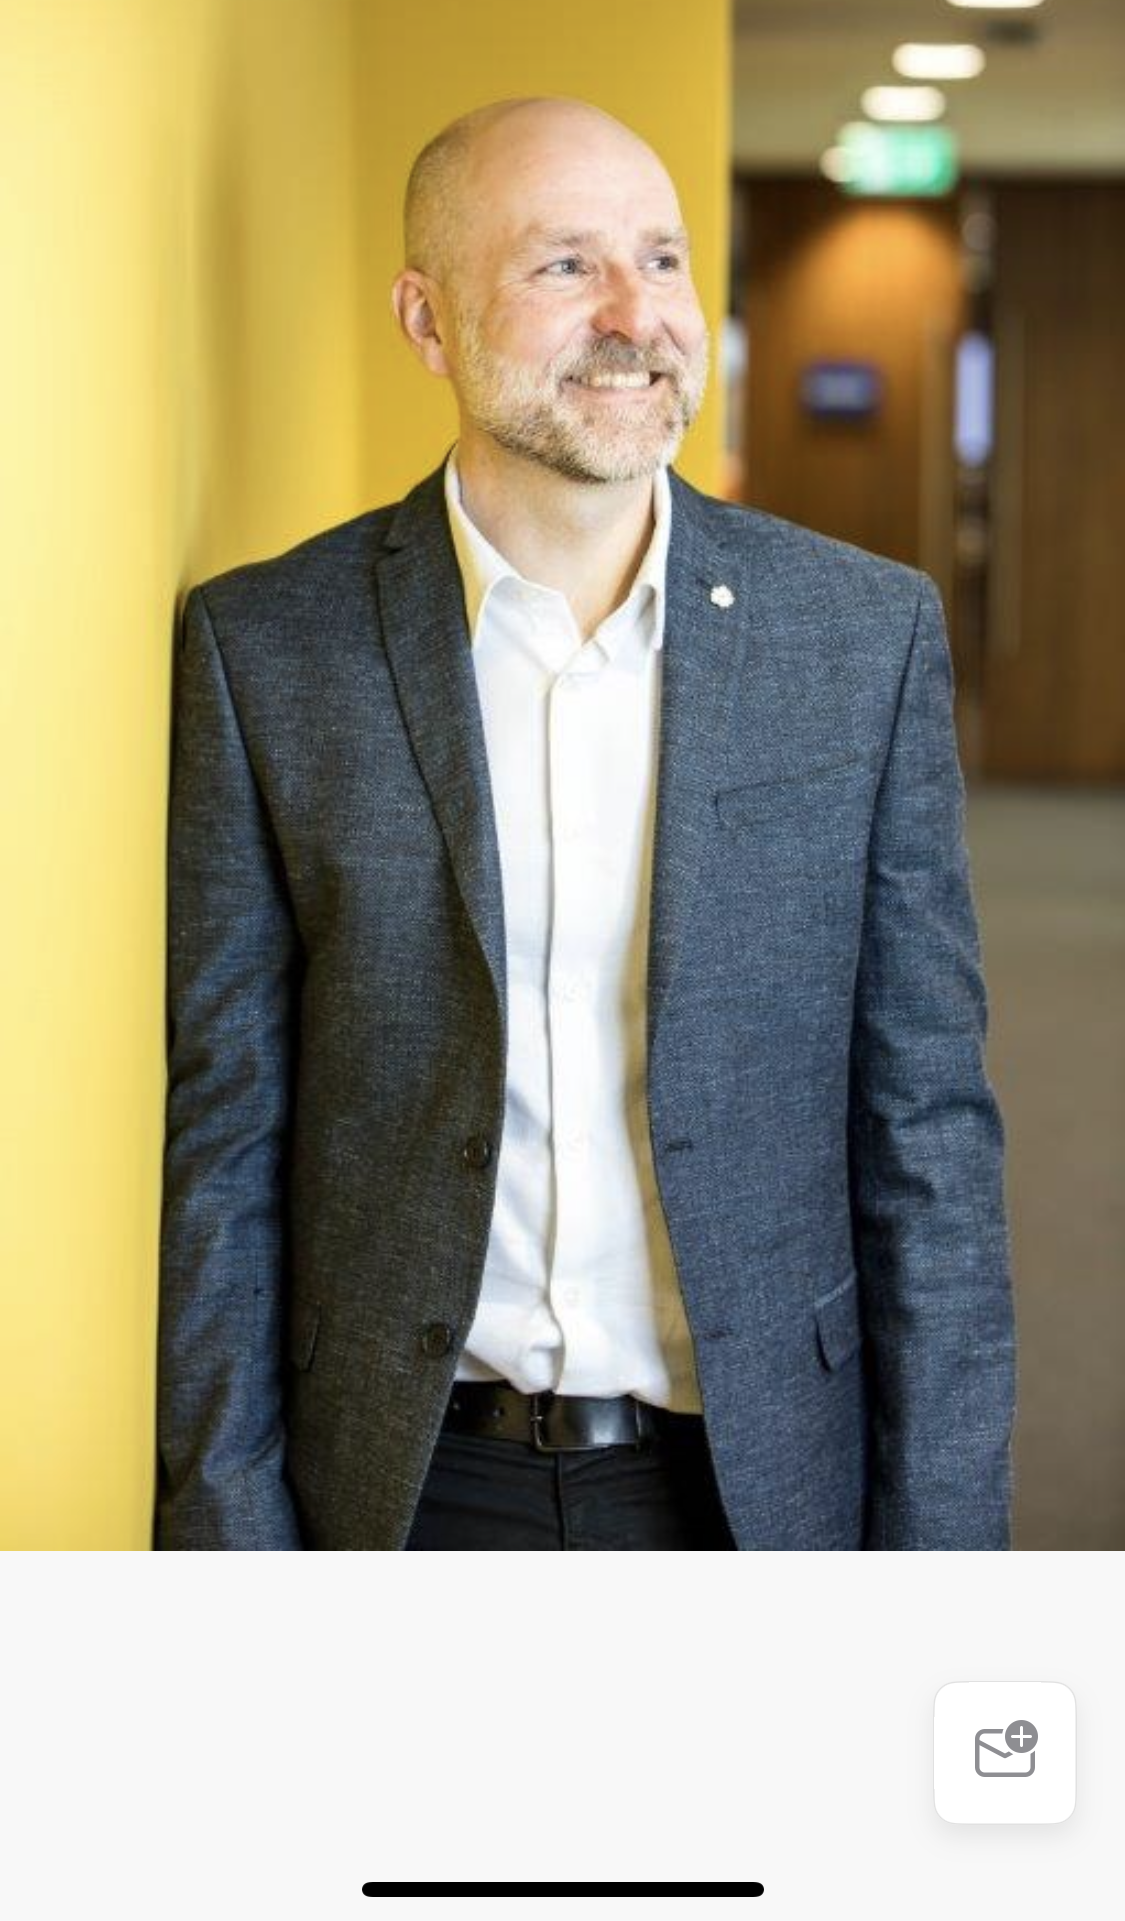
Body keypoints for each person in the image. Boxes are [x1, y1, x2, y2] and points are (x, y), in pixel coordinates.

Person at [154, 94, 1016, 1552]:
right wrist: (231, 1536)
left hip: (750, 1484)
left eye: (664, 260)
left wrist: (942, 1566)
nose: (638, 316)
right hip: (402, 1485)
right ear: (427, 321)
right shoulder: (268, 651)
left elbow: (926, 1133)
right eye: (565, 266)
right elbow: (227, 1143)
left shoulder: (859, 640)